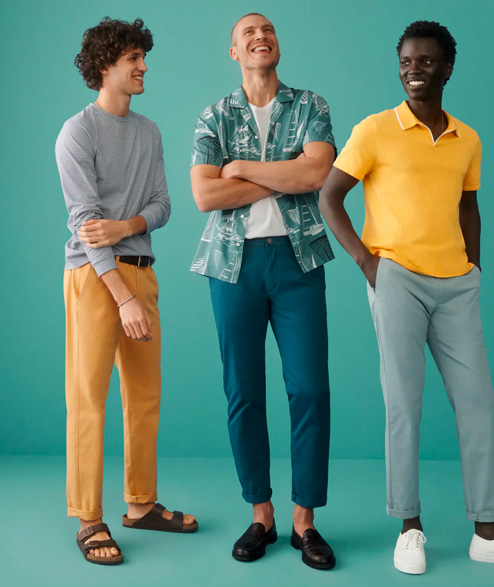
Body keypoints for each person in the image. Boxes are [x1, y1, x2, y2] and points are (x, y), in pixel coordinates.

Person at [319, 20, 494, 575]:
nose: (413, 70)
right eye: (405, 61)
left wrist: (474, 266)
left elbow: (469, 205)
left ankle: (488, 532)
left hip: (456, 286)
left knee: (478, 404)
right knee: (404, 404)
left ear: (447, 68)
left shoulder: (467, 138)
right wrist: (368, 264)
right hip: (396, 275)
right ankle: (409, 527)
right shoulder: (376, 129)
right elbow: (331, 196)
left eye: (425, 61)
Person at [190, 12, 336, 570]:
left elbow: (314, 176)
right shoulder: (214, 115)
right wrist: (284, 171)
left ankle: (305, 522)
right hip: (233, 266)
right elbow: (204, 196)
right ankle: (262, 514)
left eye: (267, 30)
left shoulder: (311, 106)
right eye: (247, 33)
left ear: (278, 45)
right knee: (243, 393)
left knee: (310, 390)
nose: (259, 36)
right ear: (234, 52)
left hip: (298, 265)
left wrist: (242, 169)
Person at [56, 17, 196, 566]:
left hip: (141, 269)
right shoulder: (78, 132)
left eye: (143, 57)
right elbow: (86, 226)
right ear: (105, 65)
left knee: (145, 396)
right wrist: (122, 293)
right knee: (88, 397)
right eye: (133, 58)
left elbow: (163, 205)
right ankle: (89, 517)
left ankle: (140, 505)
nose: (143, 68)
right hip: (94, 279)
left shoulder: (150, 131)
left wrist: (125, 227)